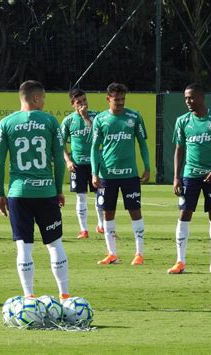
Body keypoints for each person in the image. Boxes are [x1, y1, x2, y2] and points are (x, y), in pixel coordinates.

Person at [0, 80, 69, 300]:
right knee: (55, 244)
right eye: (43, 98)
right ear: (35, 98)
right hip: (46, 193)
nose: (44, 102)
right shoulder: (50, 121)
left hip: (18, 194)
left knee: (23, 247)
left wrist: (0, 193)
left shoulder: (6, 123)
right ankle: (64, 296)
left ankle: (29, 298)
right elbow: (59, 159)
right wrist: (58, 189)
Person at [167, 83, 211, 275]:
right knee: (184, 214)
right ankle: (180, 261)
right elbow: (179, 149)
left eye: (191, 98)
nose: (188, 101)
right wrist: (176, 177)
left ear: (201, 97)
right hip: (190, 176)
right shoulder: (182, 121)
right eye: (186, 98)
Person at [91, 82, 150, 266]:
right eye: (117, 100)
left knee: (135, 211)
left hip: (129, 175)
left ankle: (139, 253)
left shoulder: (134, 117)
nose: (120, 103)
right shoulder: (100, 119)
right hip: (107, 175)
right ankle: (112, 254)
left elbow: (142, 143)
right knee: (108, 213)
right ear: (108, 99)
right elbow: (94, 148)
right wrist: (94, 172)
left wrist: (147, 167)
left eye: (123, 99)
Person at [61, 88, 104, 239]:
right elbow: (60, 144)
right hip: (77, 164)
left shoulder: (96, 116)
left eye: (84, 100)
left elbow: (99, 136)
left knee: (100, 194)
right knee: (81, 196)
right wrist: (68, 160)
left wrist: (86, 118)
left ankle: (101, 226)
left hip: (95, 163)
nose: (83, 104)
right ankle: (83, 230)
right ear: (72, 104)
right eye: (79, 102)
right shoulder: (68, 121)